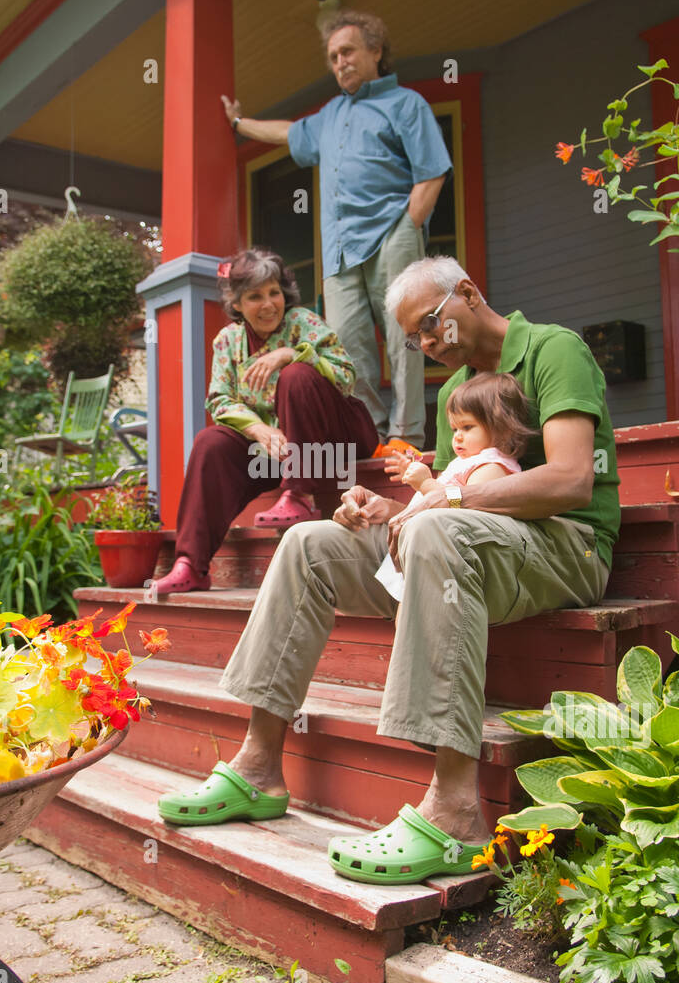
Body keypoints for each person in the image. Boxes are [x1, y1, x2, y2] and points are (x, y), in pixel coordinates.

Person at [159, 257, 620, 890]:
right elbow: (438, 498)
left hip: (568, 547)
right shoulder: (458, 389)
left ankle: (456, 811)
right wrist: (387, 509)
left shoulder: (552, 349)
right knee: (309, 542)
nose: (426, 345)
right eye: (414, 339)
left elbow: (570, 479)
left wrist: (439, 509)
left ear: (468, 292)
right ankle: (260, 765)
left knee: (433, 531)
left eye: (429, 326)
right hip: (479, 543)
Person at [221, 10, 450, 448]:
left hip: (390, 233)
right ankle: (373, 434)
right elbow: (288, 133)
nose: (339, 62)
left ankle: (407, 435)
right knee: (344, 344)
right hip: (339, 249)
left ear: (375, 51)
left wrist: (409, 226)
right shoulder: (329, 116)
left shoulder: (405, 104)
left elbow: (433, 171)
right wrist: (238, 123)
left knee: (407, 336)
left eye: (347, 51)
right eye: (332, 57)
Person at [148, 248, 378, 596]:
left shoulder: (304, 322)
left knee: (297, 375)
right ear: (237, 304)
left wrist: (292, 354)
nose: (269, 303)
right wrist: (260, 428)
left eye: (274, 292)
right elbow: (219, 399)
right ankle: (190, 565)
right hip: (277, 452)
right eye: (255, 296)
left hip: (338, 439)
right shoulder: (228, 341)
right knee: (211, 442)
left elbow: (347, 377)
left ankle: (299, 494)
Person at [374, 372, 533, 602]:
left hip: (448, 562)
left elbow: (461, 511)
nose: (457, 438)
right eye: (455, 429)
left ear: (503, 428)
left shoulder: (493, 466)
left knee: (415, 613)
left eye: (467, 428)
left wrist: (425, 483)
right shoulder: (465, 462)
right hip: (425, 554)